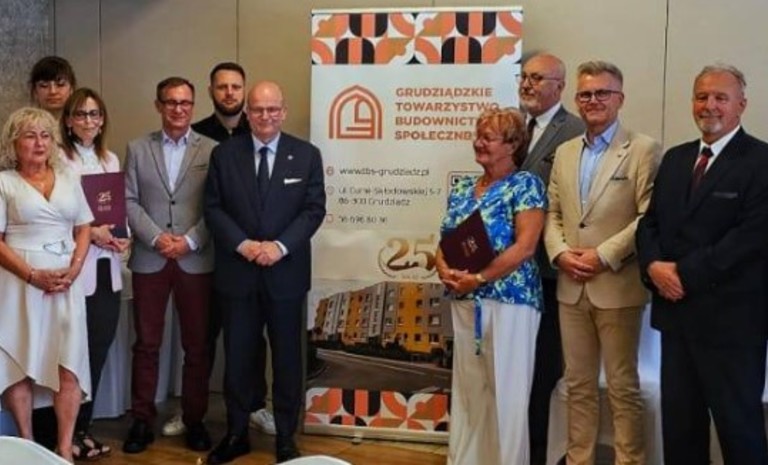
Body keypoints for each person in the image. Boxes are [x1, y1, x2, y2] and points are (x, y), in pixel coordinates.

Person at [636, 64, 768, 465]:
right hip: (677, 321)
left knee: (739, 430)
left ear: (741, 105)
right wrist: (653, 266)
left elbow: (751, 237)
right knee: (681, 431)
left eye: (720, 98)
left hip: (733, 325)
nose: (709, 106)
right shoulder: (676, 159)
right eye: (701, 97)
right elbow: (649, 224)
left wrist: (683, 274)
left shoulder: (761, 160)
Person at [544, 60, 661, 465]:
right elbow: (553, 213)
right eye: (585, 94)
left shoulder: (643, 149)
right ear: (576, 100)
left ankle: (631, 460)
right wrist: (560, 253)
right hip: (571, 287)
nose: (593, 100)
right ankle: (579, 459)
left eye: (602, 93)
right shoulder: (564, 152)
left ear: (620, 99)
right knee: (577, 386)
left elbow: (649, 216)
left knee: (623, 387)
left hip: (617, 285)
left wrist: (603, 255)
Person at [204, 81, 326, 464]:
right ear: (247, 113)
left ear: (283, 112)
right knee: (238, 358)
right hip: (238, 274)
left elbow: (313, 209)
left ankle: (286, 437)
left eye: (273, 109)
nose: (265, 116)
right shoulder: (225, 154)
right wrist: (244, 245)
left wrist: (279, 247)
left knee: (288, 359)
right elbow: (213, 208)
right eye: (258, 109)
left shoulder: (306, 155)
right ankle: (237, 432)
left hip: (285, 275)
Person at [160, 62, 276, 439]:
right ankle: (192, 410)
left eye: (236, 86)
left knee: (252, 339)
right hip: (203, 257)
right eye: (222, 87)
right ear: (210, 91)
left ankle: (255, 405)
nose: (229, 93)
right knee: (200, 339)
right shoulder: (195, 135)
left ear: (245, 90)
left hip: (249, 259)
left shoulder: (259, 132)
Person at [437, 107, 546, 465]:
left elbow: (525, 247)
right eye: (478, 135)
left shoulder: (526, 185)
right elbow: (445, 240)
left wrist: (480, 278)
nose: (478, 143)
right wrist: (444, 269)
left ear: (512, 145)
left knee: (507, 395)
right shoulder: (463, 188)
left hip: (510, 301)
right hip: (466, 300)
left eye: (488, 138)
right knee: (469, 392)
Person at [122, 76, 216, 454]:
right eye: (171, 102)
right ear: (158, 105)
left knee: (197, 346)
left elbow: (217, 205)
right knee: (146, 344)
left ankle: (194, 419)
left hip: (196, 258)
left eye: (185, 102)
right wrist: (157, 238)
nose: (178, 109)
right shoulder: (137, 148)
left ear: (193, 106)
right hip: (151, 258)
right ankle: (141, 420)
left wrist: (190, 240)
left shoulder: (211, 150)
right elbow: (128, 200)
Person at [0, 107, 93, 462]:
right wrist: (31, 275)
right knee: (19, 362)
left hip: (66, 285)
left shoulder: (69, 176)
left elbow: (83, 227)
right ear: (14, 142)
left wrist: (75, 269)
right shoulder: (4, 182)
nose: (39, 143)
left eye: (45, 135)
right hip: (19, 284)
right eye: (29, 135)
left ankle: (64, 449)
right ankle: (28, 446)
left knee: (69, 363)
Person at [517, 52, 585, 465]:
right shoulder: (512, 126)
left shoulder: (575, 131)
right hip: (507, 273)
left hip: (547, 271)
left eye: (538, 78)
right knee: (513, 368)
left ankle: (540, 452)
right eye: (525, 76)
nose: (528, 84)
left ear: (560, 86)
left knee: (544, 369)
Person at [58, 87, 130, 460]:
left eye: (95, 114)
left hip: (107, 268)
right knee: (73, 354)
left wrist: (122, 236)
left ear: (102, 121)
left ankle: (84, 430)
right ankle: (64, 434)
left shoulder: (109, 158)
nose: (89, 120)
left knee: (98, 349)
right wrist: (91, 232)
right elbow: (55, 215)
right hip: (74, 268)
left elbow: (116, 209)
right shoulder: (57, 159)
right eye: (81, 114)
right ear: (68, 121)